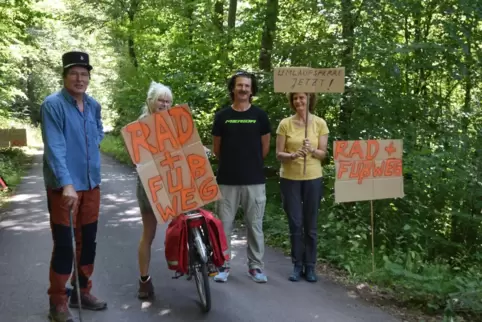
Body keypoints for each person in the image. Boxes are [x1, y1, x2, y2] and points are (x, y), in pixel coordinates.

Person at [40, 51, 107, 322]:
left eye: (84, 73)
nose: (80, 78)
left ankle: (82, 292)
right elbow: (54, 147)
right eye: (74, 73)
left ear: (89, 77)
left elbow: (99, 131)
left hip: (91, 185)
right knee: (65, 246)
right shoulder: (53, 105)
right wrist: (66, 183)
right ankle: (58, 301)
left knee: (88, 242)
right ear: (65, 76)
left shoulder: (93, 105)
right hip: (64, 188)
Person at [211, 71, 271, 283]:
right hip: (227, 180)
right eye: (239, 85)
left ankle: (255, 267)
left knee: (255, 226)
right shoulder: (222, 116)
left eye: (247, 86)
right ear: (233, 89)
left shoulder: (260, 116)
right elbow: (217, 148)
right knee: (224, 225)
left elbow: (265, 147)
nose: (243, 89)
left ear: (251, 90)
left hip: (254, 181)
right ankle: (223, 265)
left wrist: (250, 164)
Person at [275, 92, 329, 283]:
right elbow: (278, 154)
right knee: (296, 223)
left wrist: (312, 150)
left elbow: (323, 154)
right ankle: (297, 265)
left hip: (313, 178)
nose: (298, 101)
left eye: (302, 97)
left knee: (311, 225)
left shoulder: (320, 123)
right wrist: (293, 155)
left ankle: (310, 266)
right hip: (290, 179)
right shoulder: (285, 124)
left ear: (309, 99)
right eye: (295, 98)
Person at [135, 81, 174, 299]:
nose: (165, 104)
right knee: (149, 233)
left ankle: (188, 262)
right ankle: (144, 280)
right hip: (150, 184)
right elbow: (138, 156)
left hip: (174, 180)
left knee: (184, 222)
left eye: (168, 101)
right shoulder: (140, 125)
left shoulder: (175, 122)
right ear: (151, 101)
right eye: (161, 99)